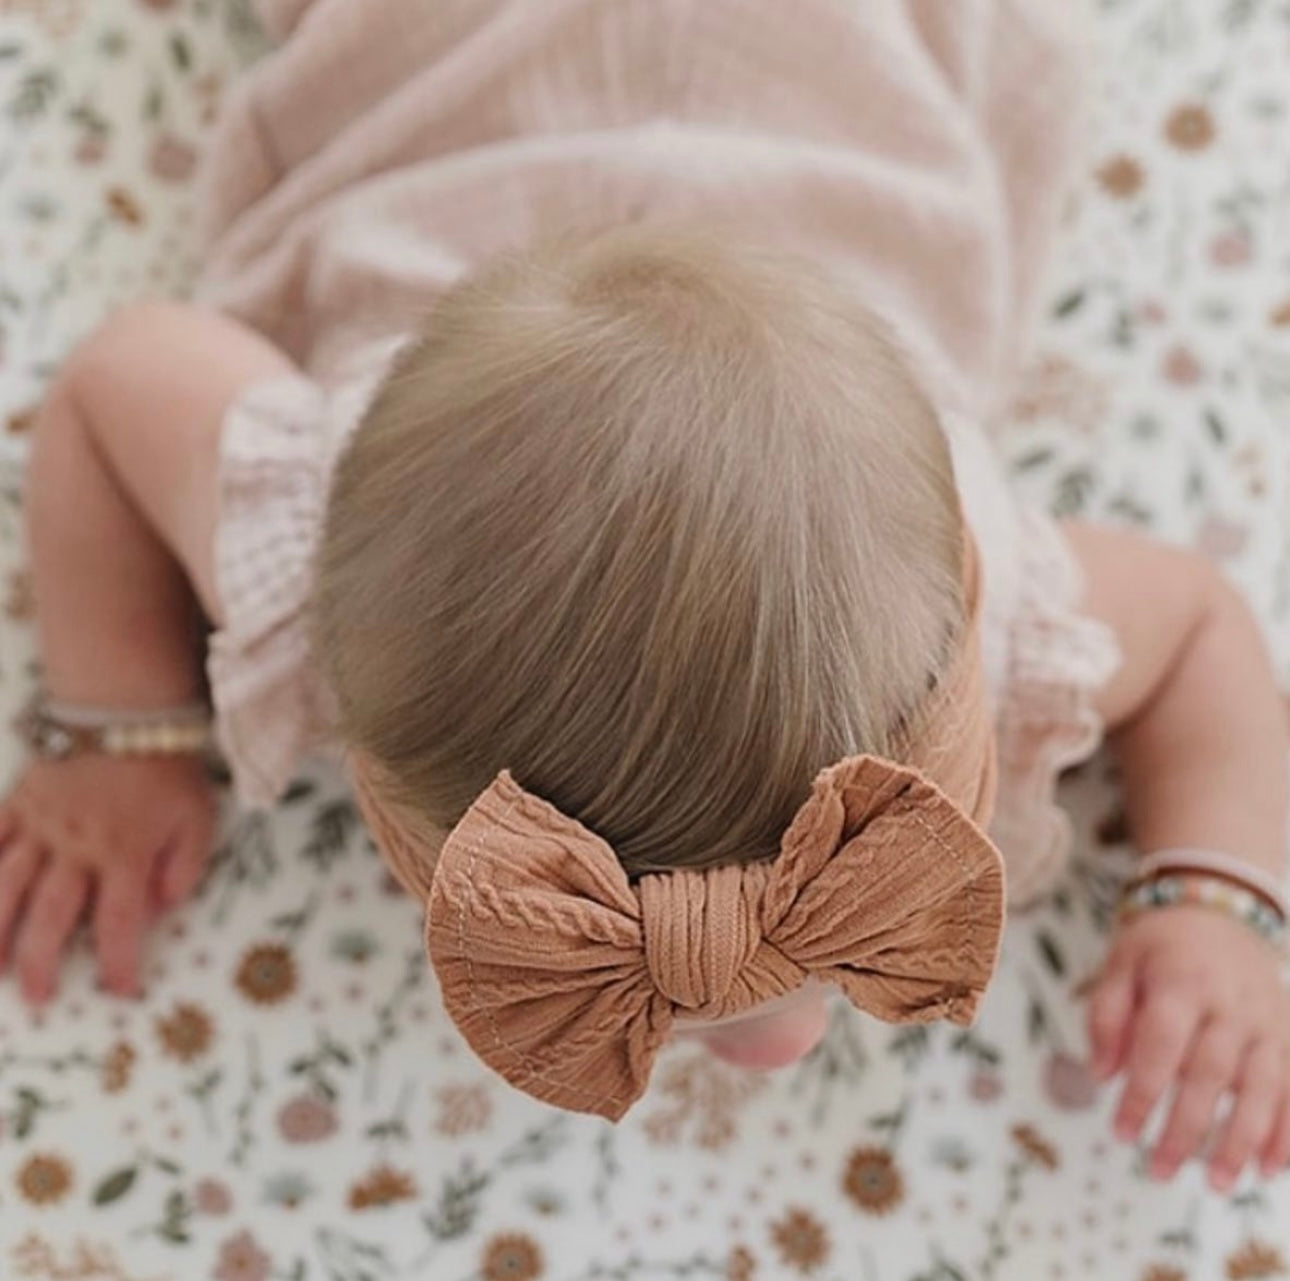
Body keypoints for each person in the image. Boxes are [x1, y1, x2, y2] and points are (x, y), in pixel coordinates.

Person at [1, 0, 1287, 1194]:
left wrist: (1218, 896)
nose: (777, 1055)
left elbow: (1198, 635)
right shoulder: (302, 516)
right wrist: (121, 730)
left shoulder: (996, 599)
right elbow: (112, 394)